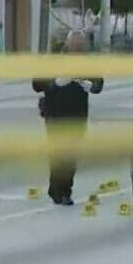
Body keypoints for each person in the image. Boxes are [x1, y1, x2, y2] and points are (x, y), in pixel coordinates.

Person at [32, 30, 104, 205]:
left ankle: (64, 190)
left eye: (82, 47)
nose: (79, 50)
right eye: (76, 46)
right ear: (68, 45)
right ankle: (59, 191)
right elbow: (36, 84)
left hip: (77, 115)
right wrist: (54, 83)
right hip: (55, 114)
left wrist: (92, 86)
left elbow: (99, 83)